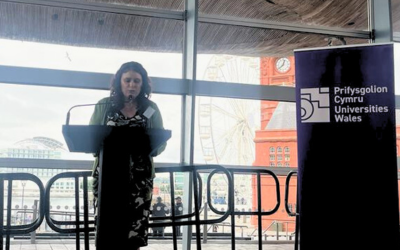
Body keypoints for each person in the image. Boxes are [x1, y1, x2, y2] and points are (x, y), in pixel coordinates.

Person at [89, 61, 166, 250]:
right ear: (119, 82)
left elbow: (161, 142)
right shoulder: (104, 106)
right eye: (128, 80)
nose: (132, 85)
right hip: (108, 178)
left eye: (137, 81)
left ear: (143, 85)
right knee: (108, 232)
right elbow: (91, 139)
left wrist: (149, 146)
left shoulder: (152, 109)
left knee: (133, 236)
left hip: (139, 181)